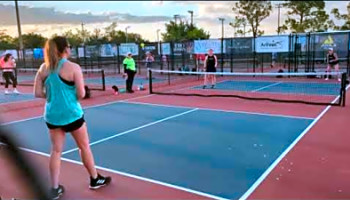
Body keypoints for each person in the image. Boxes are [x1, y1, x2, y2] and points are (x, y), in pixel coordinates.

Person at [33, 36, 111, 199]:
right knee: (84, 147)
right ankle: (94, 179)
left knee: (56, 151)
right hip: (72, 114)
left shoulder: (43, 69)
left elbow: (38, 93)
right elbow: (81, 94)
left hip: (52, 115)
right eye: (69, 46)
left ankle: (54, 189)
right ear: (65, 49)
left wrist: (54, 96)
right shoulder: (73, 67)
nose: (70, 48)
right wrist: (67, 96)